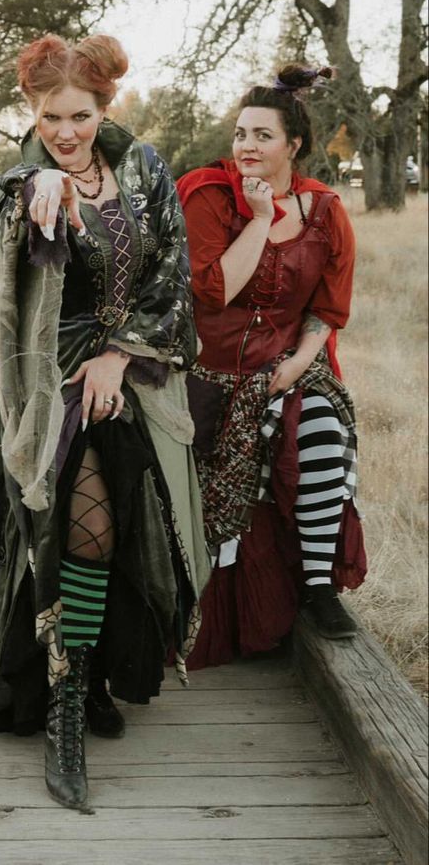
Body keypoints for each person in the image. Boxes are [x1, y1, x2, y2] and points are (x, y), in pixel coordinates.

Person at [0, 33, 210, 809]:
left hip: (129, 374)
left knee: (128, 532)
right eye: (49, 119)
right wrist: (37, 185)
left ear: (104, 108)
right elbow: (9, 212)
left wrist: (123, 354)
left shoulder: (144, 167)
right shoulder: (26, 180)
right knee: (83, 528)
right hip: (54, 382)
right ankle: (66, 709)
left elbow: (175, 271)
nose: (65, 133)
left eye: (78, 116)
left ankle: (96, 675)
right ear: (32, 115)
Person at [176, 64, 367, 669]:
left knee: (319, 429)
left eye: (262, 135)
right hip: (204, 377)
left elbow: (327, 310)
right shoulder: (207, 194)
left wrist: (297, 365)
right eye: (240, 134)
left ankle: (317, 588)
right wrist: (258, 219)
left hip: (286, 364)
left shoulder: (326, 212)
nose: (247, 146)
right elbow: (212, 293)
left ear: (295, 145)